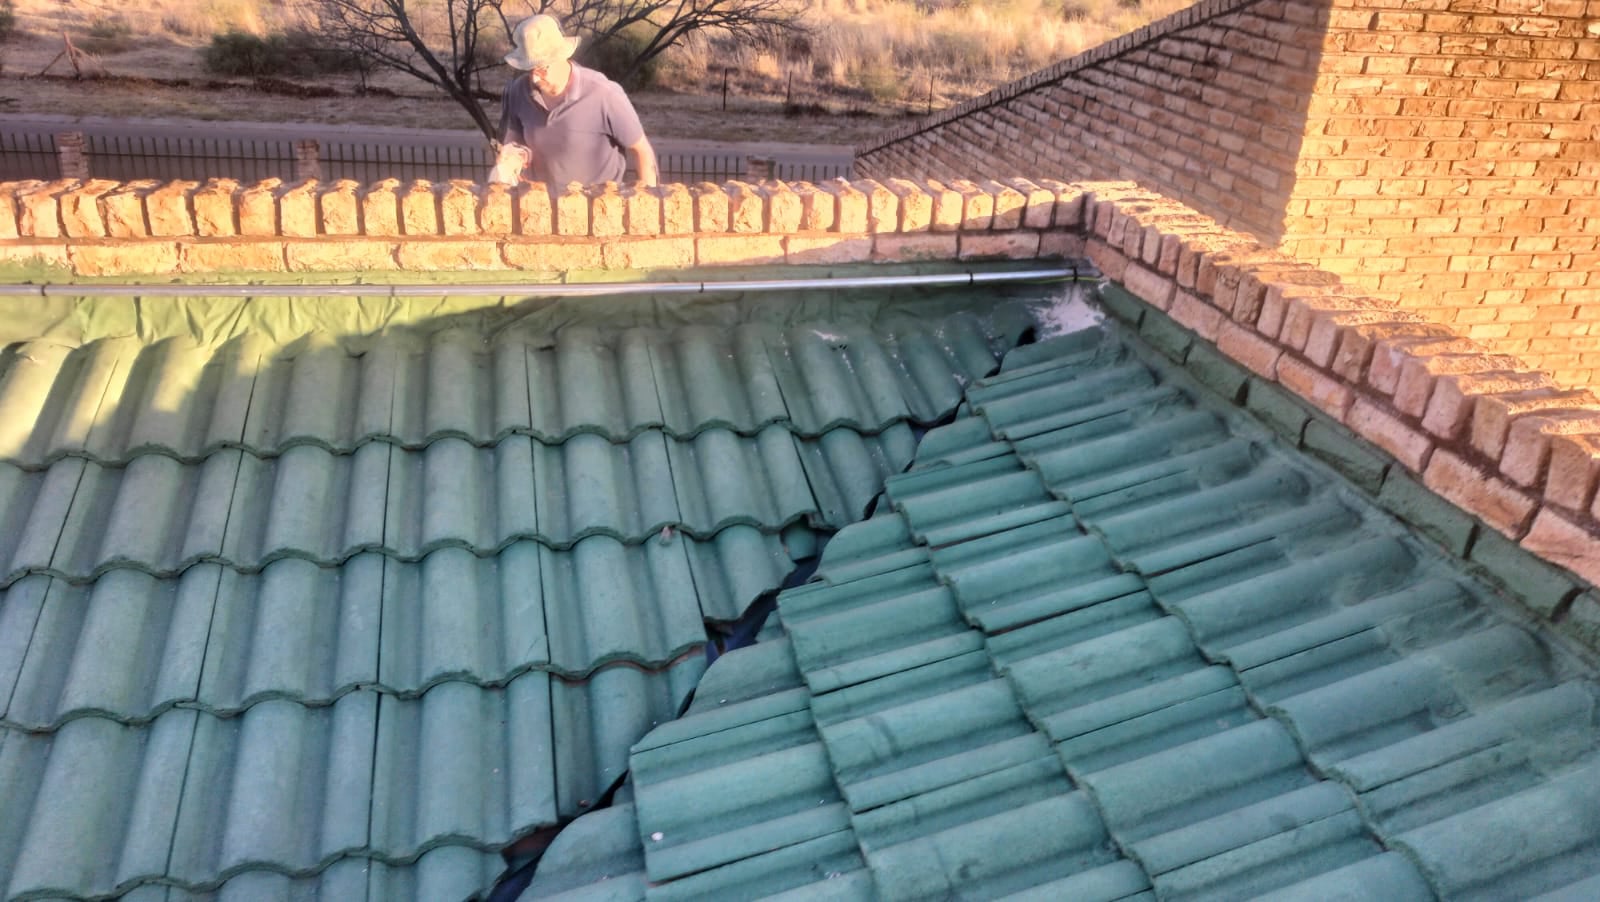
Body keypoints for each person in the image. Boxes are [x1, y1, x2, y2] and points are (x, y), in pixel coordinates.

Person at [493, 14, 659, 188]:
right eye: (530, 70)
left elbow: (642, 152)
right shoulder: (519, 91)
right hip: (539, 201)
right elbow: (515, 138)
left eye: (541, 69)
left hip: (598, 201)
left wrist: (650, 197)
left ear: (561, 56)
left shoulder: (604, 94)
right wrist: (512, 155)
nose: (534, 79)